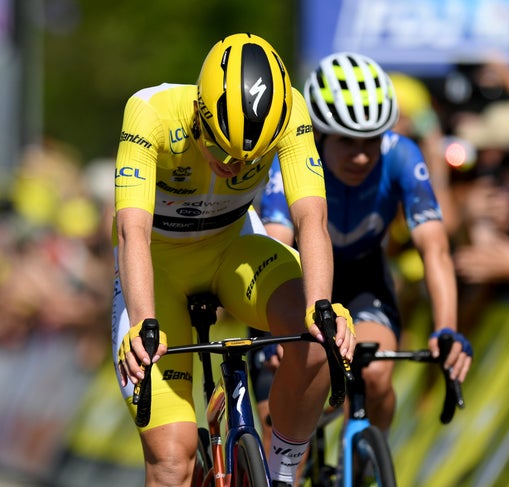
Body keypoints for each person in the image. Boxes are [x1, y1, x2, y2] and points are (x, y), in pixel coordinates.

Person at [111, 33, 355, 487]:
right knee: (171, 461)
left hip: (234, 250)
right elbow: (133, 232)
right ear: (199, 116)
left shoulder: (291, 112)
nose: (233, 166)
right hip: (158, 266)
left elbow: (311, 219)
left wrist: (320, 305)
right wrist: (145, 321)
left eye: (250, 160)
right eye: (222, 150)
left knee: (320, 341)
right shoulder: (151, 114)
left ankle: (281, 475)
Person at [255, 52, 473, 438]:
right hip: (293, 279)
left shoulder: (402, 155)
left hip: (362, 277)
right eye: (347, 141)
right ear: (320, 135)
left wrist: (446, 328)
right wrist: (275, 334)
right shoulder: (291, 159)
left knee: (373, 374)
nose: (360, 155)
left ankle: (371, 463)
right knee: (286, 434)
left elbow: (435, 248)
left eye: (371, 141)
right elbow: (277, 245)